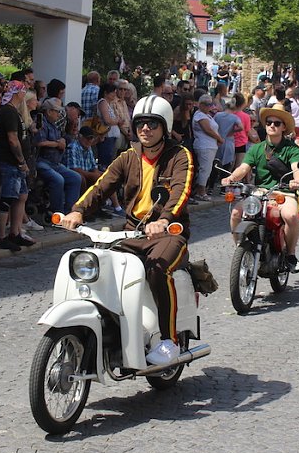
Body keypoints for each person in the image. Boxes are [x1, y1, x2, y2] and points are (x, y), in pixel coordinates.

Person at [60, 95, 194, 365]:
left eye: (152, 124)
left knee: (157, 269)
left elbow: (180, 191)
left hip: (168, 234)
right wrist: (78, 210)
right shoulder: (128, 157)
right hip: (133, 233)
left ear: (165, 127)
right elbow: (101, 187)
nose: (145, 129)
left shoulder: (179, 156)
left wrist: (165, 219)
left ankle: (169, 340)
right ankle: (116, 329)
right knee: (102, 267)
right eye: (141, 123)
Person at [220, 103, 299, 273]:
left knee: (291, 215)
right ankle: (240, 248)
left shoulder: (291, 149)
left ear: (283, 127)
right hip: (260, 192)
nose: (272, 125)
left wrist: (297, 180)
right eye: (269, 122)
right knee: (236, 213)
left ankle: (290, 255)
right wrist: (231, 178)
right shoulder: (257, 148)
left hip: (283, 192)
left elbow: (297, 167)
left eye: (277, 123)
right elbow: (244, 168)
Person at [0, 81, 34, 251]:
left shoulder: (14, 111)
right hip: (11, 162)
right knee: (8, 198)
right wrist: (21, 161)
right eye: (24, 91)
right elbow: (12, 138)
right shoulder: (8, 111)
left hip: (17, 163)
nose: (25, 94)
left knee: (21, 195)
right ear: (19, 93)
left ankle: (15, 233)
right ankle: (0, 236)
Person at [33, 98, 83, 214]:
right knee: (58, 180)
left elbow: (62, 139)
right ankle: (57, 212)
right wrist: (57, 144)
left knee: (76, 178)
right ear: (49, 111)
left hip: (55, 163)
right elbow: (39, 142)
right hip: (42, 161)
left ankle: (70, 212)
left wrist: (63, 140)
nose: (59, 114)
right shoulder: (41, 123)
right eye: (56, 111)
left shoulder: (54, 125)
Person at [192, 94, 223, 200]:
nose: (209, 106)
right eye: (207, 104)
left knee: (207, 169)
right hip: (204, 146)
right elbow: (208, 130)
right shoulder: (200, 115)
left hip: (210, 145)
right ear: (200, 104)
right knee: (205, 169)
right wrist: (219, 138)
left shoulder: (207, 115)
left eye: (211, 104)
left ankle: (200, 189)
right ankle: (201, 191)